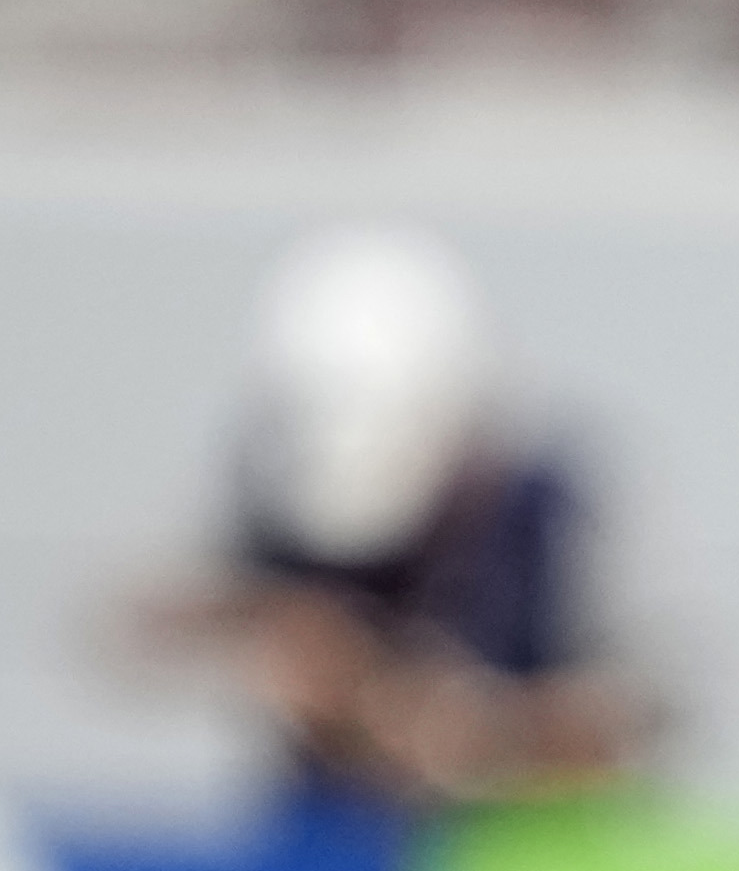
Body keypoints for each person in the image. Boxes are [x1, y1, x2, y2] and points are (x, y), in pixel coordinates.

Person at [141, 225, 643, 830]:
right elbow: (144, 624)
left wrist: (460, 727)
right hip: (327, 847)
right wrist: (264, 631)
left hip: (515, 869)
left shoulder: (541, 511)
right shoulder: (278, 485)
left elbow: (630, 716)